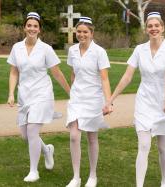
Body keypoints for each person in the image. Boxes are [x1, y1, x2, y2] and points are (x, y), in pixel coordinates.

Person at [104, 12, 165, 187]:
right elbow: (127, 76)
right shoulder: (139, 50)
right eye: (150, 26)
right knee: (143, 146)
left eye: (156, 26)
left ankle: (164, 182)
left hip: (163, 103)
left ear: (162, 28)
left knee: (162, 146)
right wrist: (110, 100)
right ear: (146, 29)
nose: (153, 29)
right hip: (144, 102)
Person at [7, 12, 70, 182]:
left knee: (33, 130)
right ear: (24, 28)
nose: (32, 28)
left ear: (39, 29)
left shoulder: (46, 49)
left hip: (42, 93)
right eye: (29, 25)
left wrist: (71, 93)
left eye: (35, 26)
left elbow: (56, 73)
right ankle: (47, 150)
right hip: (24, 95)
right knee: (26, 135)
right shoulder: (16, 48)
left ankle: (33, 171)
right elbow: (14, 72)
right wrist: (11, 93)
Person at [65, 16, 112, 187]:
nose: (81, 34)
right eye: (79, 31)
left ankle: (92, 176)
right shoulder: (72, 51)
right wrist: (72, 93)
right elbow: (73, 74)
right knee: (74, 136)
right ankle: (76, 177)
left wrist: (108, 102)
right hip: (77, 98)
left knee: (92, 137)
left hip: (94, 99)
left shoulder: (100, 52)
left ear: (92, 33)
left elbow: (105, 78)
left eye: (85, 31)